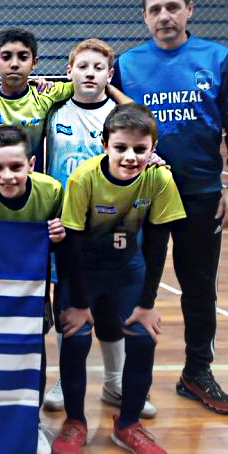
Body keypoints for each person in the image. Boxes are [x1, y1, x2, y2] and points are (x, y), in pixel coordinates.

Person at [112, 0, 228, 415]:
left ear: (190, 10)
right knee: (138, 288)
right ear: (144, 17)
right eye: (154, 10)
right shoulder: (128, 64)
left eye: (172, 7)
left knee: (198, 288)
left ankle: (197, 371)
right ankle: (132, 382)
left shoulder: (218, 58)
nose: (164, 17)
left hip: (201, 193)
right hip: (142, 197)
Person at [54, 104, 185, 454]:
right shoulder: (83, 178)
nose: (130, 157)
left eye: (140, 150)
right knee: (76, 336)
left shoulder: (159, 179)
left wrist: (147, 303)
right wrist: (79, 304)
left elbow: (159, 242)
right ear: (104, 144)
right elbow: (72, 245)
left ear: (152, 148)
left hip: (129, 270)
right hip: (86, 269)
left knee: (143, 337)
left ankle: (127, 425)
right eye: (121, 147)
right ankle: (75, 420)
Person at [42, 38, 158, 420]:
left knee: (111, 308)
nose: (89, 73)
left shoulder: (121, 118)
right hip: (68, 224)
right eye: (82, 66)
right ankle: (64, 378)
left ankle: (115, 381)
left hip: (114, 226)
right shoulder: (53, 110)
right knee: (69, 302)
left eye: (98, 68)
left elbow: (142, 132)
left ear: (110, 75)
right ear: (69, 71)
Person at [0, 125, 66, 454]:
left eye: (16, 167)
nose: (7, 176)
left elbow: (70, 242)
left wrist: (59, 232)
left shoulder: (52, 192)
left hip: (33, 292)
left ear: (32, 164)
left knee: (33, 353)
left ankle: (30, 422)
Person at [0, 29, 76, 211]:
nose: (14, 64)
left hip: (25, 196)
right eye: (6, 57)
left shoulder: (45, 94)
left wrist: (49, 82)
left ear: (34, 63)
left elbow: (82, 84)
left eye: (23, 57)